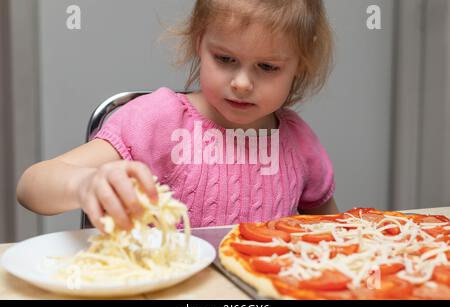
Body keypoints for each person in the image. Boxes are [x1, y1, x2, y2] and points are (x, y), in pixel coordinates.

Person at [17, 0, 339, 233]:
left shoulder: (298, 143)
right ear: (200, 43)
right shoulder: (162, 120)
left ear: (300, 66)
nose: (241, 83)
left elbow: (335, 239)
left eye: (267, 67)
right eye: (225, 58)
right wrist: (83, 184)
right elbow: (31, 186)